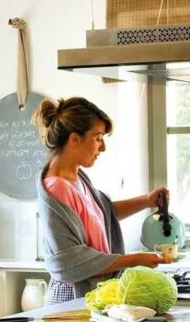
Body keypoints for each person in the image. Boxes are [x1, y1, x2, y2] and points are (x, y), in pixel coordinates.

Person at [33, 95, 169, 306]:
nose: (103, 147)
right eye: (97, 138)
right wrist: (134, 260)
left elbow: (104, 214)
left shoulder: (78, 179)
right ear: (75, 139)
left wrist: (147, 201)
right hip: (72, 297)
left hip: (92, 294)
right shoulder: (56, 187)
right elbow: (70, 259)